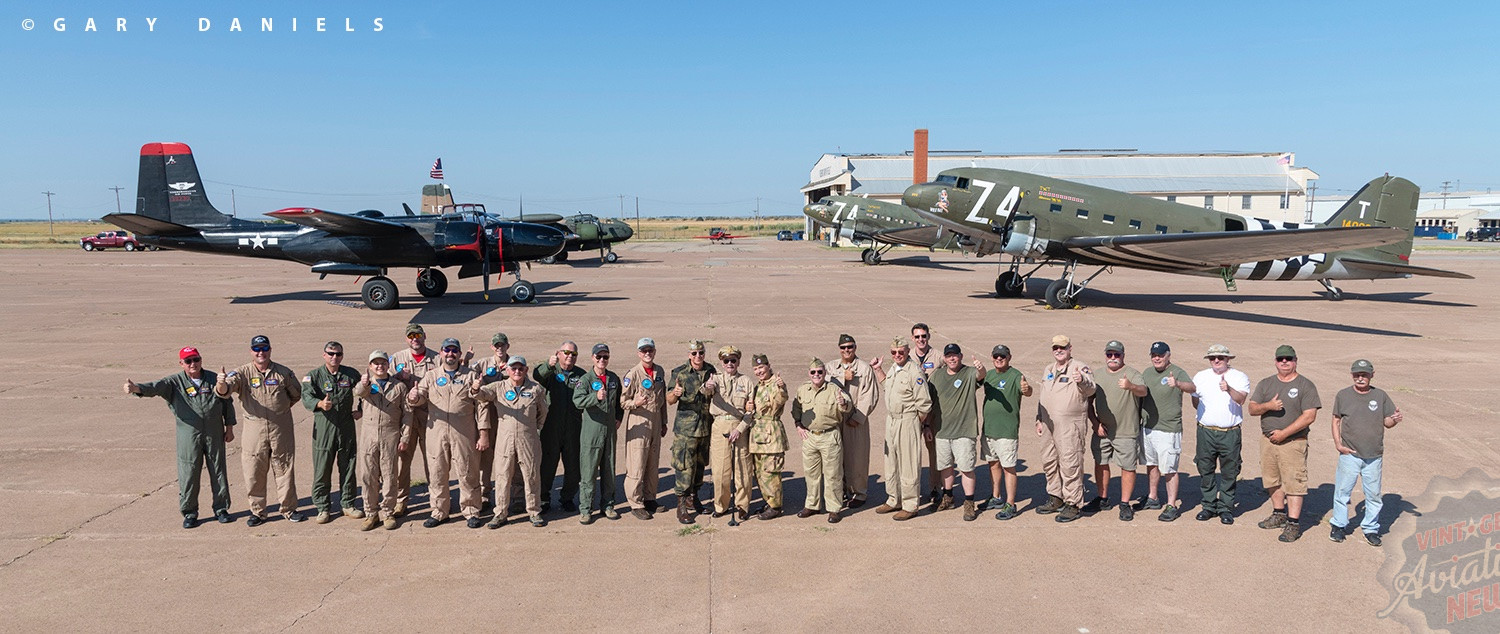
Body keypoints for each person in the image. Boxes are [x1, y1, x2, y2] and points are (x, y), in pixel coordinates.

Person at [124, 346, 237, 528]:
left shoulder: (212, 379)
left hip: (214, 432)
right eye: (188, 361)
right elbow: (155, 387)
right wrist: (136, 388)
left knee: (218, 469)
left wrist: (229, 427)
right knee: (189, 472)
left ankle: (221, 509)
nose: (193, 364)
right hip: (189, 434)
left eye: (196, 359)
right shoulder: (174, 382)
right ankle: (190, 512)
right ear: (181, 364)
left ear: (201, 360)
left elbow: (227, 403)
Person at [215, 335, 304, 526]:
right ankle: (258, 512)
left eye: (264, 348)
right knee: (253, 470)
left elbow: (296, 394)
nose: (260, 353)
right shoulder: (242, 373)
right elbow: (225, 391)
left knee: (284, 468)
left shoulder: (283, 372)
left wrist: (280, 410)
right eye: (257, 349)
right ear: (251, 352)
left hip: (280, 428)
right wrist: (221, 382)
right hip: (254, 430)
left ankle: (289, 509)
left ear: (270, 350)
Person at [406, 338, 487, 529]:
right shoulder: (431, 376)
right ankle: (439, 511)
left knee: (467, 471)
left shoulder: (470, 376)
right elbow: (419, 398)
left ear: (459, 354)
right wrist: (413, 397)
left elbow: (481, 406)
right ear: (440, 353)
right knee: (437, 472)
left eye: (454, 351)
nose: (450, 354)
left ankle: (471, 510)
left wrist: (483, 433)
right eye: (446, 350)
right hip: (437, 432)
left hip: (464, 432)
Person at [1247, 345, 1321, 543]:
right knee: (1272, 479)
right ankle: (1279, 513)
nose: (1285, 362)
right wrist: (1268, 406)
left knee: (1294, 483)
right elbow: (1252, 409)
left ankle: (1293, 523)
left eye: (1288, 358)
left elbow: (1309, 416)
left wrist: (1284, 433)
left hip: (1293, 442)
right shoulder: (1266, 384)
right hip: (1268, 441)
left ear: (1296, 360)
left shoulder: (1306, 385)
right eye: (1281, 359)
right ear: (1275, 361)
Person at [1330, 359, 1402, 546]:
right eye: (1356, 375)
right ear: (1352, 375)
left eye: (1364, 375)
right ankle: (1338, 525)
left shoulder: (1380, 396)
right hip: (1350, 454)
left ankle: (1370, 528)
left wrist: (1394, 420)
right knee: (1342, 492)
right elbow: (1336, 420)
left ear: (1372, 375)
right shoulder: (1343, 395)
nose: (1360, 378)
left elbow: (1387, 422)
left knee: (1373, 495)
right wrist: (1338, 444)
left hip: (1373, 456)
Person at [475, 356, 549, 528]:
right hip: (505, 437)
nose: (517, 372)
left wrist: (534, 428)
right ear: (507, 370)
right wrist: (475, 388)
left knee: (531, 474)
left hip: (528, 437)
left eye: (520, 368)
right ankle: (500, 513)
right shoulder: (499, 387)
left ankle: (534, 511)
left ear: (526, 370)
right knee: (502, 475)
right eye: (513, 368)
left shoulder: (536, 389)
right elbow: (482, 396)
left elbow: (543, 411)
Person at [301, 341, 362, 524]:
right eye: (331, 353)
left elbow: (366, 391)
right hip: (324, 427)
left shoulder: (350, 374)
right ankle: (322, 507)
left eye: (338, 354)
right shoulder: (313, 376)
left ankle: (348, 504)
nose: (334, 357)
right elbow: (306, 397)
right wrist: (320, 404)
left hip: (346, 426)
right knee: (322, 468)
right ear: (324, 355)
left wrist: (361, 408)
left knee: (348, 466)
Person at [1035, 335, 1095, 523]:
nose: (1058, 351)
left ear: (1070, 348)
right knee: (1049, 461)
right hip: (1048, 424)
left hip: (1070, 425)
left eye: (1062, 347)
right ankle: (1056, 497)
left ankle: (1073, 503)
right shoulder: (1049, 369)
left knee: (1070, 462)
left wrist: (1081, 380)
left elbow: (1091, 389)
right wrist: (1039, 418)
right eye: (1055, 348)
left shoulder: (1079, 367)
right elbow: (1044, 395)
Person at [872, 337, 933, 521]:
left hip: (907, 420)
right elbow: (887, 386)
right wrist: (878, 370)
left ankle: (910, 504)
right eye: (894, 352)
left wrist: (915, 422)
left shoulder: (914, 371)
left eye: (901, 352)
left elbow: (924, 404)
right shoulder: (894, 369)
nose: (897, 355)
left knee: (908, 464)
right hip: (891, 421)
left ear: (908, 351)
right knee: (891, 463)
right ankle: (893, 499)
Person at [1191, 344, 1251, 525]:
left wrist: (1228, 389)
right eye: (1212, 358)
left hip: (1229, 433)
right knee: (1205, 468)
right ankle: (1208, 505)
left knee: (1229, 471)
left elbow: (1241, 400)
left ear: (1228, 359)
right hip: (1206, 431)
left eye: (1220, 358)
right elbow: (1195, 401)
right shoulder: (1200, 376)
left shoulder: (1239, 377)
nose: (1216, 361)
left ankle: (1225, 507)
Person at [1088, 340, 1146, 521]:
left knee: (1128, 467)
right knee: (1101, 462)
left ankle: (1124, 503)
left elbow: (1143, 391)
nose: (1113, 358)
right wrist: (1095, 423)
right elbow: (1088, 403)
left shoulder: (1133, 374)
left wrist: (1131, 386)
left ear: (1123, 356)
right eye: (1109, 354)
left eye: (1117, 355)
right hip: (1102, 430)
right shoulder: (1096, 375)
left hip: (1126, 431)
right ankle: (1103, 498)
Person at [928, 343, 985, 521]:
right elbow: (929, 403)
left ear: (961, 356)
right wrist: (927, 426)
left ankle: (969, 503)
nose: (952, 358)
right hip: (942, 431)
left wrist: (981, 369)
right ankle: (948, 497)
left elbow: (980, 376)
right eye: (949, 355)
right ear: (944, 358)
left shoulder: (968, 373)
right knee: (946, 467)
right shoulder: (936, 376)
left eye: (955, 355)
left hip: (964, 431)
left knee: (967, 469)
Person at [1138, 342, 1195, 522]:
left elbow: (1192, 388)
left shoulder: (1177, 372)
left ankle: (1171, 505)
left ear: (1168, 355)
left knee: (1169, 468)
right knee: (1151, 464)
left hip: (1169, 430)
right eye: (1154, 354)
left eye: (1160, 355)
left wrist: (1177, 383)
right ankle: (1153, 497)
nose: (1157, 358)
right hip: (1148, 428)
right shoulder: (1147, 373)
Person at [790, 358, 852, 523]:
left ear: (825, 373)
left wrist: (843, 403)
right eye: (813, 372)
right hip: (810, 437)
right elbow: (796, 408)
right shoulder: (803, 390)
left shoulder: (834, 389)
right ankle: (812, 505)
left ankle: (833, 508)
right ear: (809, 374)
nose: (816, 375)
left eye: (820, 372)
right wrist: (798, 425)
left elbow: (847, 405)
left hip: (829, 436)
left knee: (833, 474)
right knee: (811, 473)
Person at [353, 350, 406, 530]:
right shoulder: (366, 385)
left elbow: (407, 414)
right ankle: (371, 513)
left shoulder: (399, 386)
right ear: (370, 366)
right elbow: (358, 393)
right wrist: (364, 383)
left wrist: (404, 436)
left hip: (390, 434)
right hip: (369, 435)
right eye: (375, 363)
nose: (379, 366)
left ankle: (388, 513)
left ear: (388, 365)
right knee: (368, 475)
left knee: (390, 476)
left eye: (383, 363)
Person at [573, 343, 623, 524]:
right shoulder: (585, 380)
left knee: (609, 470)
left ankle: (608, 505)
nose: (602, 360)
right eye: (599, 357)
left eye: (606, 357)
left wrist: (619, 417)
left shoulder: (613, 378)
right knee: (589, 471)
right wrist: (595, 397)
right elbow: (577, 401)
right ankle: (586, 509)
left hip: (609, 431)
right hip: (591, 432)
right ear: (593, 358)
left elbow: (619, 401)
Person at [667, 340, 717, 524]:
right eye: (694, 353)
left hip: (705, 427)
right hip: (686, 429)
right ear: (689, 354)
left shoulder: (711, 371)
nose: (698, 357)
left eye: (701, 353)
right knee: (684, 466)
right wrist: (676, 393)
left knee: (700, 465)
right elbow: (669, 399)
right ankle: (681, 505)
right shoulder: (679, 372)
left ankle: (694, 498)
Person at [534, 341, 587, 513]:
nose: (570, 356)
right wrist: (548, 365)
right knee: (548, 464)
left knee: (573, 465)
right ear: (558, 353)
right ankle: (543, 498)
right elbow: (537, 376)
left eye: (573, 354)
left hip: (573, 425)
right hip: (551, 425)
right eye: (566, 352)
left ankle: (567, 498)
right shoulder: (551, 371)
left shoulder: (580, 374)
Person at [390, 323, 437, 517]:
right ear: (406, 338)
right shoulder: (397, 359)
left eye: (418, 335)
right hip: (405, 419)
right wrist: (398, 377)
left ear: (424, 336)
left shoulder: (437, 358)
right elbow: (385, 381)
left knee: (434, 462)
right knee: (402, 462)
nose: (414, 339)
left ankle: (437, 501)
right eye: (411, 336)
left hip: (430, 417)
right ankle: (401, 501)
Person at [980, 345, 1031, 520]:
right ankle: (996, 497)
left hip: (1006, 431)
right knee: (993, 463)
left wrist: (1026, 389)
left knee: (1008, 467)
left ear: (1009, 357)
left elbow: (1027, 390)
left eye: (1002, 356)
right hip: (989, 430)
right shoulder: (990, 376)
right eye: (996, 356)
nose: (999, 359)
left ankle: (1011, 503)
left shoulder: (1016, 375)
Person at [734, 354, 788, 520]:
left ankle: (776, 506)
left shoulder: (775, 384)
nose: (759, 371)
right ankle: (768, 501)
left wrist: (781, 388)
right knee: (760, 472)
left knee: (771, 472)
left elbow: (781, 399)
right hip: (758, 435)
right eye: (756, 369)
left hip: (771, 435)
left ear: (768, 366)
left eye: (761, 367)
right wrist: (749, 406)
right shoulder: (758, 386)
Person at [620, 338, 668, 520]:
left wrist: (664, 422)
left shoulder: (660, 371)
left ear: (654, 351)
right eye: (643, 351)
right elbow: (623, 401)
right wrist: (636, 403)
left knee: (652, 462)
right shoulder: (633, 374)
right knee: (637, 463)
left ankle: (650, 498)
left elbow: (662, 399)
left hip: (655, 422)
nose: (647, 353)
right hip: (639, 422)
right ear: (638, 353)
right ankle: (636, 502)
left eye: (650, 350)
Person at [830, 334, 879, 508]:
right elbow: (822, 383)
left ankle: (859, 492)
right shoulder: (830, 367)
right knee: (836, 457)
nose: (846, 350)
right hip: (834, 419)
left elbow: (870, 395)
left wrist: (858, 417)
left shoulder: (864, 368)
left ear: (855, 347)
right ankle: (841, 489)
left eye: (850, 347)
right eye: (843, 347)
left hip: (855, 419)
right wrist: (843, 377)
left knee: (857, 458)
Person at [708, 345, 755, 521]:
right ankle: (721, 505)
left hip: (739, 426)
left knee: (742, 469)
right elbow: (706, 391)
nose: (730, 363)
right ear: (721, 362)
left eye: (733, 360)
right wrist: (707, 385)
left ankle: (742, 506)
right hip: (720, 425)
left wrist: (740, 429)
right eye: (726, 360)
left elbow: (751, 411)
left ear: (738, 362)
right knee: (721, 470)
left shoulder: (746, 381)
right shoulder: (715, 379)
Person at [470, 332, 511, 512]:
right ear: (491, 347)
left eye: (502, 345)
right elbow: (466, 376)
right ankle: (485, 495)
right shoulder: (482, 364)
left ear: (507, 346)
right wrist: (466, 360)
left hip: (507, 416)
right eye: (496, 345)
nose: (499, 348)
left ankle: (511, 495)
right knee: (485, 459)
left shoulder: (514, 364)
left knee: (507, 458)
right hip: (486, 417)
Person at [910, 323, 942, 504]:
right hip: (913, 412)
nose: (921, 340)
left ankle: (935, 488)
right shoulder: (907, 356)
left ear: (929, 336)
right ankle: (912, 490)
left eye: (924, 336)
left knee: (934, 452)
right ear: (913, 339)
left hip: (933, 412)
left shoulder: (938, 357)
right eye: (917, 337)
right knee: (912, 452)